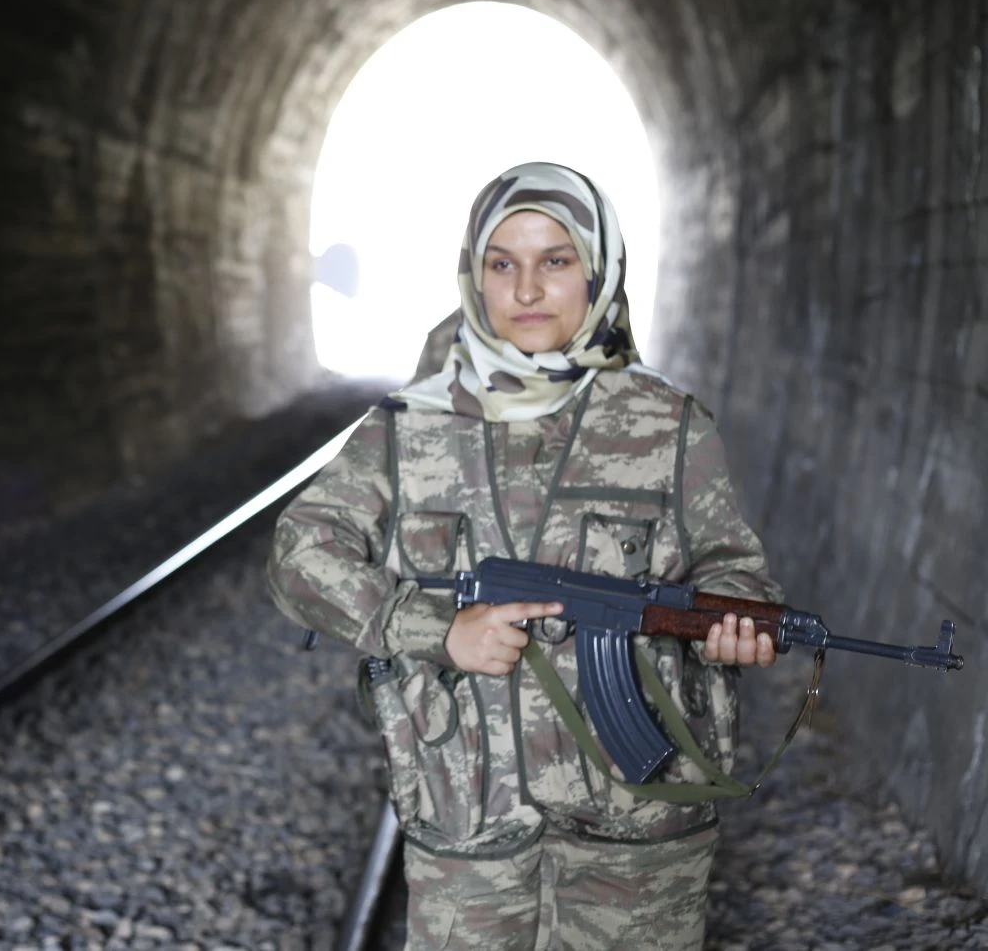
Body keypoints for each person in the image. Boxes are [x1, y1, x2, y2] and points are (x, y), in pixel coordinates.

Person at [267, 162, 780, 950]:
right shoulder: (410, 427)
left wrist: (733, 618)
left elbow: (730, 566)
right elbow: (301, 554)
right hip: (468, 832)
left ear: (597, 271)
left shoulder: (670, 427)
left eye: (557, 260)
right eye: (502, 263)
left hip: (641, 841)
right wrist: (434, 627)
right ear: (474, 276)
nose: (528, 289)